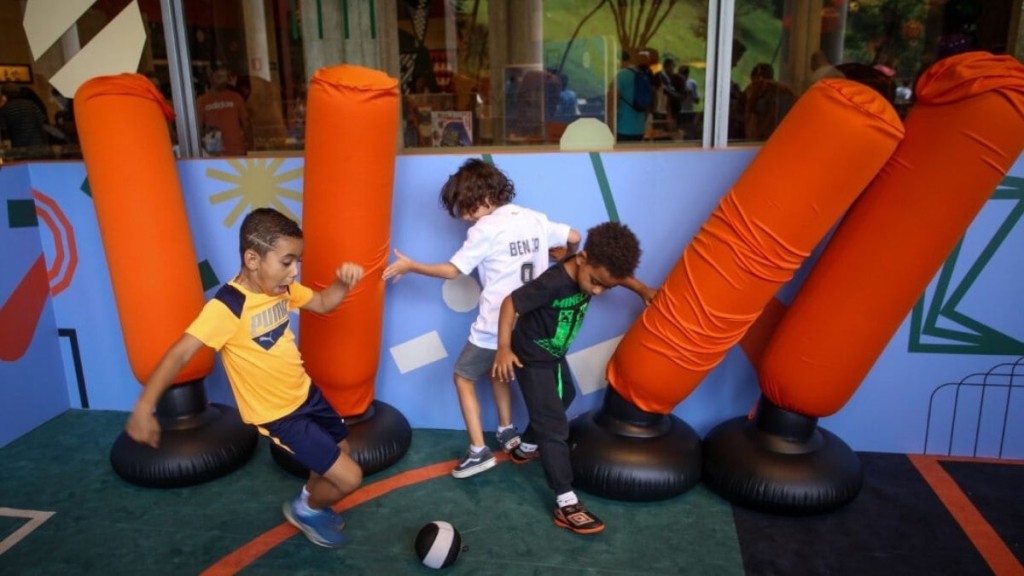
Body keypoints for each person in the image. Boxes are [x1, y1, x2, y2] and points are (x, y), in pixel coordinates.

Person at [124, 207, 364, 548]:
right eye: (287, 262)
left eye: (298, 262)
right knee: (350, 477)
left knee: (342, 447)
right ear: (253, 258)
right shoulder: (226, 308)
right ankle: (306, 508)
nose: (294, 272)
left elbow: (324, 302)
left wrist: (342, 282)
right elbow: (179, 353)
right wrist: (144, 408)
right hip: (279, 415)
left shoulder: (280, 290)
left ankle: (312, 495)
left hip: (305, 393)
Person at [383, 159, 581, 479]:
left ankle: (478, 451)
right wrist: (565, 257)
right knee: (499, 371)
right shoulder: (532, 218)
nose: (462, 216)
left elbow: (453, 271)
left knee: (463, 376)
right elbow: (574, 235)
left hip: (495, 324)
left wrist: (412, 266)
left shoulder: (484, 230)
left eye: (464, 207)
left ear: (483, 197)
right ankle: (506, 431)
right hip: (532, 325)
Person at [491, 221, 656, 534]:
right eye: (595, 282)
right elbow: (511, 302)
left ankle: (525, 448)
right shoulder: (554, 282)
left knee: (565, 397)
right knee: (554, 426)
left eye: (606, 286)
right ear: (582, 259)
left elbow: (617, 277)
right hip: (531, 357)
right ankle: (565, 502)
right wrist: (502, 348)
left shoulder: (600, 269)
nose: (598, 291)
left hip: (553, 354)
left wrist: (642, 289)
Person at [196, 66, 252, 156]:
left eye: (224, 77)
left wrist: (251, 146)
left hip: (237, 151)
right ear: (211, 77)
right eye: (219, 76)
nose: (222, 81)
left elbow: (246, 124)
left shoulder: (236, 98)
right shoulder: (202, 101)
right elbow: (197, 129)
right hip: (214, 153)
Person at [613, 50, 650, 142]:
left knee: (622, 155)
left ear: (619, 61)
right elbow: (650, 103)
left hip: (623, 128)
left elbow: (613, 104)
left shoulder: (621, 76)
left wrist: (610, 127)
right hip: (639, 129)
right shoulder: (643, 75)